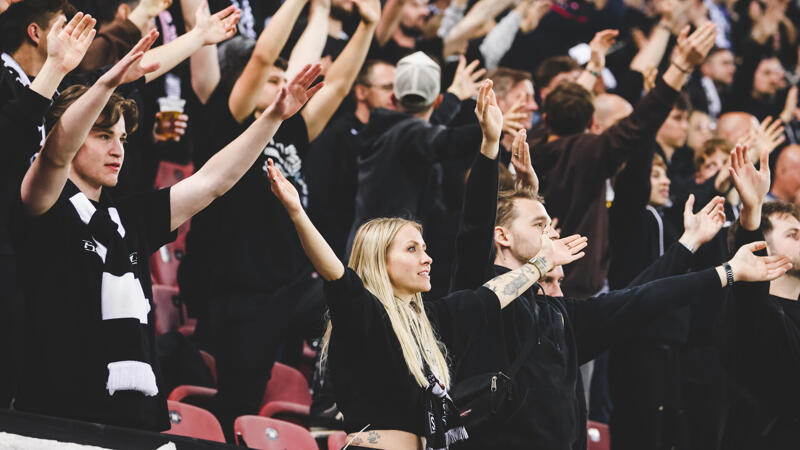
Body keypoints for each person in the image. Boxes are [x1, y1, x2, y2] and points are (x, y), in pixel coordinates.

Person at [13, 32, 323, 430]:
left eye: (123, 138)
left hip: (138, 418)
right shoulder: (43, 204)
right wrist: (107, 83)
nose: (118, 149)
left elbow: (214, 180)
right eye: (103, 135)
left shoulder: (132, 217)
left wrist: (273, 118)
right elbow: (56, 155)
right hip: (59, 415)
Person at [268, 80, 587, 449]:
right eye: (412, 249)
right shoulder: (363, 314)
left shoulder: (432, 320)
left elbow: (492, 294)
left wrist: (538, 264)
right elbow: (333, 272)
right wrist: (297, 213)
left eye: (425, 247)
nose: (428, 257)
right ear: (380, 260)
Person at [449, 106, 790, 450]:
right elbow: (475, 228)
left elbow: (642, 298)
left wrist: (722, 268)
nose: (551, 234)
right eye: (541, 226)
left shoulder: (560, 316)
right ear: (503, 237)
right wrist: (490, 149)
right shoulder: (479, 297)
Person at [533, 23, 719, 299]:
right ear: (594, 125)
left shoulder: (534, 146)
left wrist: (594, 69)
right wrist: (678, 68)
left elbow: (564, 109)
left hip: (563, 288)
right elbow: (638, 126)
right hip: (570, 295)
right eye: (620, 125)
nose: (626, 134)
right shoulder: (586, 153)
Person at [724, 143, 800, 449]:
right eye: (794, 235)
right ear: (762, 248)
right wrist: (752, 211)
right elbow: (749, 290)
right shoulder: (750, 307)